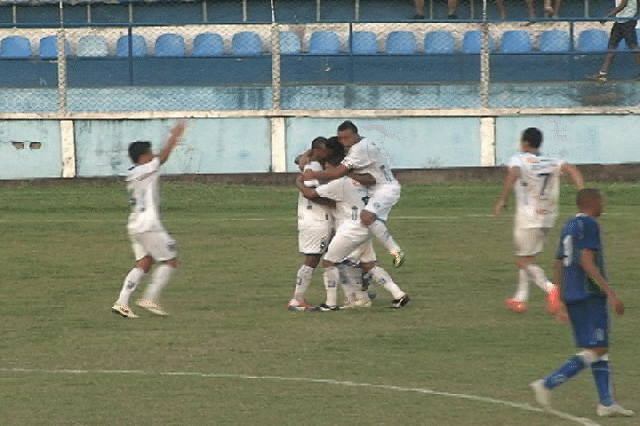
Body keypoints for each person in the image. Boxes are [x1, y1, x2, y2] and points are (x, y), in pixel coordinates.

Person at [529, 189, 633, 418]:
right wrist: (611, 293)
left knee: (598, 348)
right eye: (602, 201)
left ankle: (606, 402)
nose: (603, 206)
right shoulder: (590, 225)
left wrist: (561, 298)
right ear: (593, 203)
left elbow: (557, 263)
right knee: (597, 348)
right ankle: (547, 384)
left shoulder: (568, 226)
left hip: (574, 295)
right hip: (589, 295)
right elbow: (587, 262)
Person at [297, 151, 410, 311]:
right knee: (369, 264)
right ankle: (398, 294)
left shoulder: (339, 183)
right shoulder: (360, 180)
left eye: (328, 168)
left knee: (329, 262)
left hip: (351, 228)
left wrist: (299, 181)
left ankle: (330, 304)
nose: (327, 171)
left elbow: (310, 194)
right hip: (366, 228)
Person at [494, 127, 584, 314]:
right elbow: (572, 170)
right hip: (548, 217)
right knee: (528, 256)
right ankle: (520, 298)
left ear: (524, 143)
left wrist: (503, 199)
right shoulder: (551, 161)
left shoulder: (518, 159)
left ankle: (551, 289)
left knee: (523, 261)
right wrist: (582, 192)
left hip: (528, 217)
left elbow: (514, 174)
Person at [303, 120, 405, 269]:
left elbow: (338, 172)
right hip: (374, 189)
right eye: (341, 139)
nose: (344, 142)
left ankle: (396, 251)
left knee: (366, 217)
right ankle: (364, 267)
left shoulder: (360, 149)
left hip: (385, 188)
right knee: (366, 223)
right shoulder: (361, 144)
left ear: (356, 134)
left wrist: (314, 174)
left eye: (347, 138)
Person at [111, 121, 186, 318]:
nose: (153, 155)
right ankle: (149, 298)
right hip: (148, 224)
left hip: (135, 223)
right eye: (149, 153)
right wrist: (174, 137)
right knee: (170, 261)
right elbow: (162, 158)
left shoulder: (133, 173)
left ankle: (122, 302)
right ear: (143, 157)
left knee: (145, 261)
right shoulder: (146, 169)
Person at [287, 136, 335, 311]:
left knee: (333, 257)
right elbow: (311, 193)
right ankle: (297, 299)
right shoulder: (312, 168)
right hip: (316, 221)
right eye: (324, 151)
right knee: (313, 259)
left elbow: (301, 161)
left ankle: (356, 294)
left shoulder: (313, 164)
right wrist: (335, 203)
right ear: (317, 151)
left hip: (318, 220)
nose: (327, 155)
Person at [587, 0, 639, 83]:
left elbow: (622, 5)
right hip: (619, 21)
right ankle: (603, 74)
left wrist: (607, 16)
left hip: (627, 21)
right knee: (611, 46)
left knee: (633, 47)